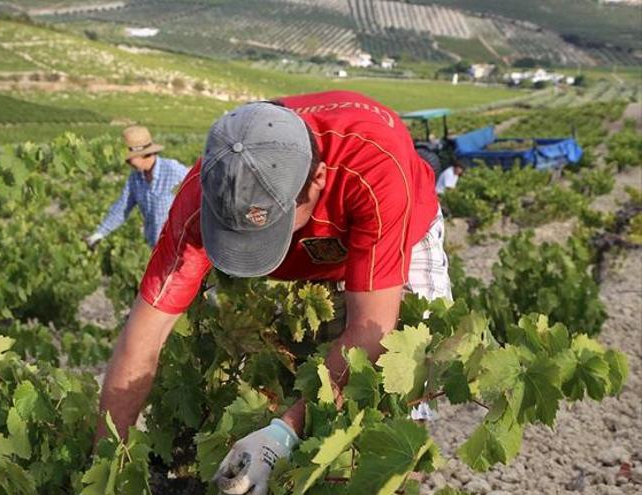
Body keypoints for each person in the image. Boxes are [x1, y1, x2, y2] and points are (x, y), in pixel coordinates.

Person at [95, 91, 452, 494]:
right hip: (306, 260)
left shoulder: (374, 166)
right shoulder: (205, 192)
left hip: (400, 239)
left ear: (318, 180)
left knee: (398, 390)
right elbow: (145, 334)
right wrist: (108, 465)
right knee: (295, 379)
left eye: (269, 228)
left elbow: (374, 330)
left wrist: (283, 433)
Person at [85, 126, 189, 248]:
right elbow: (121, 208)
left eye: (129, 159)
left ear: (144, 154)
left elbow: (201, 198)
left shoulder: (173, 171)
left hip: (182, 249)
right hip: (157, 249)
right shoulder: (135, 178)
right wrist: (99, 233)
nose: (126, 162)